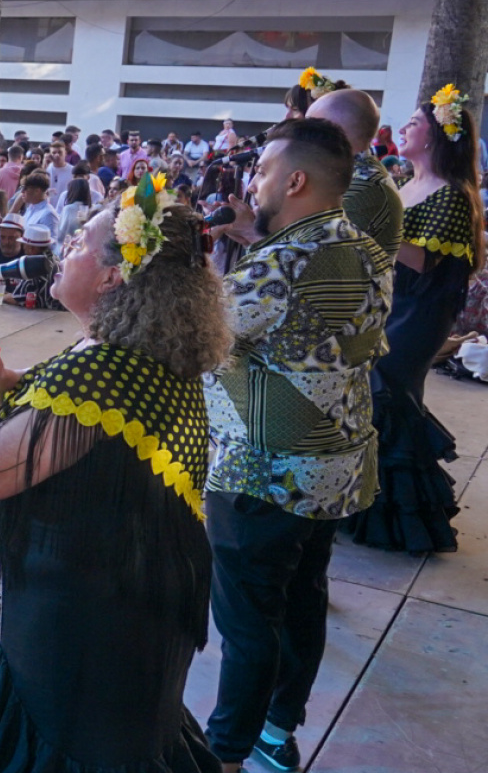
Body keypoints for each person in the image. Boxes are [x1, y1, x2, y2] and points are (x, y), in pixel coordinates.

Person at [0, 190, 229, 770]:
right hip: (126, 601)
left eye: (81, 241)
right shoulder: (134, 355)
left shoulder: (104, 368)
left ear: (112, 275)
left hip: (87, 615)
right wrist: (1, 383)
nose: (65, 246)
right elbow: (81, 437)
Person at [204, 118, 391, 773]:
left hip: (264, 470)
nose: (252, 184)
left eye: (260, 172)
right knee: (302, 598)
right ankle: (277, 730)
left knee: (248, 624)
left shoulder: (280, 263)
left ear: (296, 179)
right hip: (332, 467)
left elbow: (199, 337)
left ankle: (224, 755)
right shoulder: (360, 249)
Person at [342, 89, 481, 553]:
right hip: (388, 305)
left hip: (418, 315)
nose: (402, 130)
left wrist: (369, 229)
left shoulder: (453, 195)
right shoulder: (406, 183)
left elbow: (423, 262)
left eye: (413, 124)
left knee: (390, 396)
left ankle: (400, 522)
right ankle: (367, 508)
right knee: (375, 402)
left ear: (439, 133)